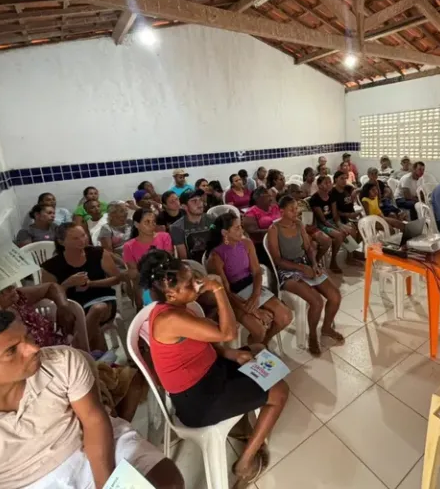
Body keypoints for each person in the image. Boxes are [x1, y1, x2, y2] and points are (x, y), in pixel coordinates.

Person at [0, 310, 183, 489]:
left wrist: (107, 484)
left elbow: (94, 421)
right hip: (26, 483)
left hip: (89, 449)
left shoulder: (62, 361)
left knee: (164, 480)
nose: (33, 348)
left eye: (27, 337)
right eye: (12, 351)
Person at [140, 251, 288, 485]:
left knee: (258, 348)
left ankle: (244, 424)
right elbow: (228, 332)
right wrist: (218, 289)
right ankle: (245, 464)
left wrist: (230, 353)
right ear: (171, 293)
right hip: (198, 400)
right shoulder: (170, 319)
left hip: (211, 372)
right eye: (190, 283)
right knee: (280, 391)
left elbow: (200, 345)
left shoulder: (178, 307)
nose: (197, 286)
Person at [268, 196, 344, 355]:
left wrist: (315, 264)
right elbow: (277, 260)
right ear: (282, 211)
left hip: (305, 264)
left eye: (296, 208)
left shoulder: (298, 224)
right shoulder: (274, 229)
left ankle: (326, 328)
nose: (296, 212)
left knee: (335, 296)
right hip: (287, 269)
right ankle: (312, 337)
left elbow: (308, 248)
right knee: (316, 301)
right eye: (292, 209)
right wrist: (300, 268)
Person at [206, 213, 292, 345]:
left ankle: (262, 345)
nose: (242, 230)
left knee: (285, 316)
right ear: (225, 232)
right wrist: (253, 310)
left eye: (241, 226)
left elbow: (257, 271)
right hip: (233, 296)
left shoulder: (246, 243)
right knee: (259, 329)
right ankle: (254, 348)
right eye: (237, 228)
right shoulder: (215, 257)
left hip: (251, 286)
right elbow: (226, 291)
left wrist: (255, 295)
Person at [41, 224, 121, 351]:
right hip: (73, 305)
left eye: (83, 235)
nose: (82, 241)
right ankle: (99, 359)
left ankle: (78, 349)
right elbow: (47, 296)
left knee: (97, 309)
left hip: (103, 298)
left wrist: (91, 283)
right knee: (87, 321)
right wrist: (67, 284)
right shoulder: (51, 266)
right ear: (61, 242)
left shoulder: (97, 253)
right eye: (75, 238)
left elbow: (117, 278)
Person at [286, 182, 332, 264]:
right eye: (298, 192)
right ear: (291, 193)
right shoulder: (287, 205)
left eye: (301, 192)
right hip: (298, 230)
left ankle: (316, 261)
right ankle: (312, 264)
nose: (301, 194)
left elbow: (311, 214)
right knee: (312, 245)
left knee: (327, 240)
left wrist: (313, 224)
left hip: (310, 227)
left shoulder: (303, 202)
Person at [308, 175, 345, 273]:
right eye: (326, 182)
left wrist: (340, 225)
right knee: (339, 235)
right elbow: (322, 220)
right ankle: (326, 261)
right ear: (319, 185)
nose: (329, 184)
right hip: (321, 224)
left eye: (330, 182)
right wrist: (336, 229)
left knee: (347, 230)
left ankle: (350, 256)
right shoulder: (315, 199)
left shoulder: (331, 195)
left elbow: (335, 215)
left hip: (331, 221)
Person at [170, 189, 214, 262]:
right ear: (184, 207)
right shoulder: (177, 228)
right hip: (194, 266)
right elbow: (184, 259)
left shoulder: (212, 219)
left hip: (213, 261)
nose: (199, 203)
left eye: (200, 199)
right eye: (194, 201)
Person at [330, 170, 361, 249]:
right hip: (343, 218)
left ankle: (355, 250)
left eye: (345, 178)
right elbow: (335, 212)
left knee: (363, 228)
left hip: (352, 215)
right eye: (342, 178)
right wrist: (348, 215)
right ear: (336, 179)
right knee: (352, 231)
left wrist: (354, 192)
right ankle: (351, 255)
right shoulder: (333, 193)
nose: (344, 181)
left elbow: (358, 190)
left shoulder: (347, 188)